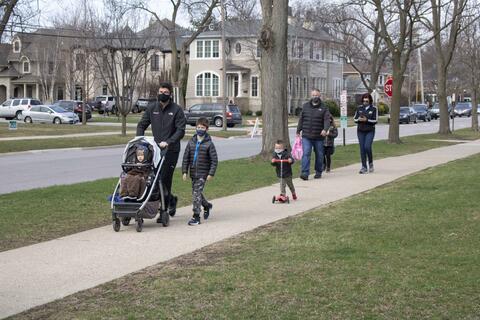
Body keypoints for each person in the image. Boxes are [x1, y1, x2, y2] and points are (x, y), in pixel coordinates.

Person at [136, 82, 186, 220]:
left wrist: (169, 142)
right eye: (160, 91)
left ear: (170, 94)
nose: (162, 94)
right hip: (155, 151)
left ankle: (163, 209)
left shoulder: (177, 110)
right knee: (154, 179)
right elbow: (142, 125)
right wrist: (140, 139)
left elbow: (180, 131)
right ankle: (170, 200)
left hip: (171, 150)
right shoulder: (152, 108)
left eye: (165, 92)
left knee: (164, 178)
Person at [182, 117, 218, 226]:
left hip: (203, 173)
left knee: (196, 193)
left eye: (202, 127)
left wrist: (211, 173)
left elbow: (214, 160)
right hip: (193, 173)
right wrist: (184, 171)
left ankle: (196, 216)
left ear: (206, 129)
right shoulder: (191, 142)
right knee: (196, 193)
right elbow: (185, 158)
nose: (200, 129)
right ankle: (207, 205)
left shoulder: (209, 144)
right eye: (198, 127)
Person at [296, 88, 331, 180]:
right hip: (306, 135)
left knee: (319, 155)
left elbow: (327, 120)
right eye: (313, 95)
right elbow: (301, 119)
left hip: (319, 136)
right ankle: (305, 173)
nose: (315, 97)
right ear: (311, 96)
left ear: (319, 96)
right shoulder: (305, 106)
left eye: (316, 95)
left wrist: (325, 129)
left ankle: (318, 171)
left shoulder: (324, 107)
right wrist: (298, 131)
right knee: (306, 153)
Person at [354, 93, 378, 174]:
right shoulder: (359, 108)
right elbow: (355, 119)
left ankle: (370, 163)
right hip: (360, 131)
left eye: (367, 99)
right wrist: (359, 120)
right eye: (364, 99)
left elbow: (375, 121)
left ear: (370, 100)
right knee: (362, 149)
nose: (365, 101)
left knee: (367, 147)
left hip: (370, 131)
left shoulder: (374, 109)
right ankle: (364, 167)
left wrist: (366, 120)